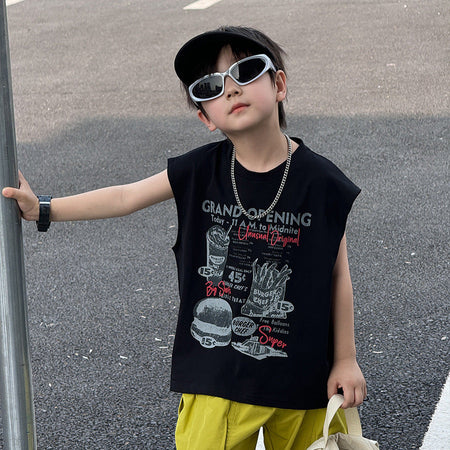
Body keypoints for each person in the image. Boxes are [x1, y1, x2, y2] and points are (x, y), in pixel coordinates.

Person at [2, 25, 367, 450]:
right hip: (215, 377)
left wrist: (345, 359)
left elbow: (337, 274)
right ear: (205, 118)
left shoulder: (322, 183)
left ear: (279, 85)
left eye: (246, 71)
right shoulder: (199, 170)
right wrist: (43, 208)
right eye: (210, 87)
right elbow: (125, 197)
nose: (231, 89)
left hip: (301, 378)